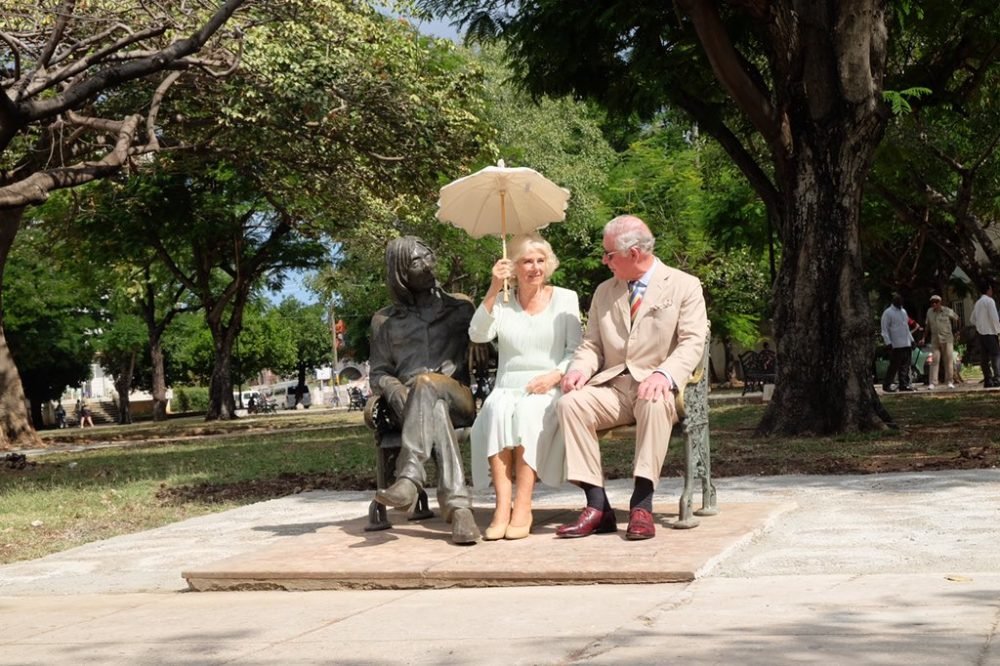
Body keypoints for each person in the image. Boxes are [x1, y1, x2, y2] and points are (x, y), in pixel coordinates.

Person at [555, 215, 708, 541]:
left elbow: (692, 342)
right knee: (570, 404)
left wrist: (665, 374)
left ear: (634, 253)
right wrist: (579, 369)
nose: (604, 260)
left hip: (657, 386)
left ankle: (642, 504)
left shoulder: (684, 285)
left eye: (609, 254)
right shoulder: (604, 292)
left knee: (654, 401)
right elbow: (592, 344)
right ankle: (597, 506)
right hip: (613, 387)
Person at [468, 234, 583, 541]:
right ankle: (501, 508)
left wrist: (554, 376)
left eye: (540, 260)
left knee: (529, 413)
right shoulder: (502, 301)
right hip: (507, 385)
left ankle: (523, 505)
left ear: (549, 263)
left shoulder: (566, 298)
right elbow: (477, 334)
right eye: (527, 261)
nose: (535, 267)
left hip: (548, 385)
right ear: (514, 267)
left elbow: (576, 350)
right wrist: (494, 287)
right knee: (495, 409)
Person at [369, 236, 480, 544]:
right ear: (401, 274)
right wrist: (392, 388)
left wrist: (481, 342)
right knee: (433, 407)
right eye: (417, 262)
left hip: (458, 398)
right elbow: (378, 372)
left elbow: (488, 341)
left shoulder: (461, 308)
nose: (428, 265)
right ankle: (459, 510)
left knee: (427, 383)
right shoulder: (384, 321)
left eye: (428, 255)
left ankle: (409, 476)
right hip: (408, 407)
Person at [880, 293, 915, 393]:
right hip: (896, 344)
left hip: (906, 343)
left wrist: (912, 340)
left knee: (905, 366)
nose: (900, 303)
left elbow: (906, 328)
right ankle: (887, 385)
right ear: (893, 302)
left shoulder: (903, 312)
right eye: (898, 301)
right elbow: (884, 330)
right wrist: (888, 342)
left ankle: (904, 384)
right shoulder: (888, 313)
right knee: (894, 366)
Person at [923, 294, 960, 389]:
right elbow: (927, 326)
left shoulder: (947, 310)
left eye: (936, 302)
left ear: (940, 302)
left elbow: (957, 318)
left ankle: (949, 381)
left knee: (948, 361)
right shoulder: (929, 312)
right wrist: (923, 338)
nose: (934, 304)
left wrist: (957, 331)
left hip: (947, 338)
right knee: (934, 360)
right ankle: (933, 382)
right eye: (932, 302)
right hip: (935, 339)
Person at [970, 281, 1000, 388]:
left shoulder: (977, 303)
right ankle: (997, 378)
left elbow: (972, 319)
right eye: (991, 289)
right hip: (991, 332)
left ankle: (988, 380)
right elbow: (994, 317)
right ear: (988, 290)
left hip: (981, 334)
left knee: (984, 358)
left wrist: (980, 326)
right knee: (995, 355)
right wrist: (998, 331)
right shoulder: (989, 301)